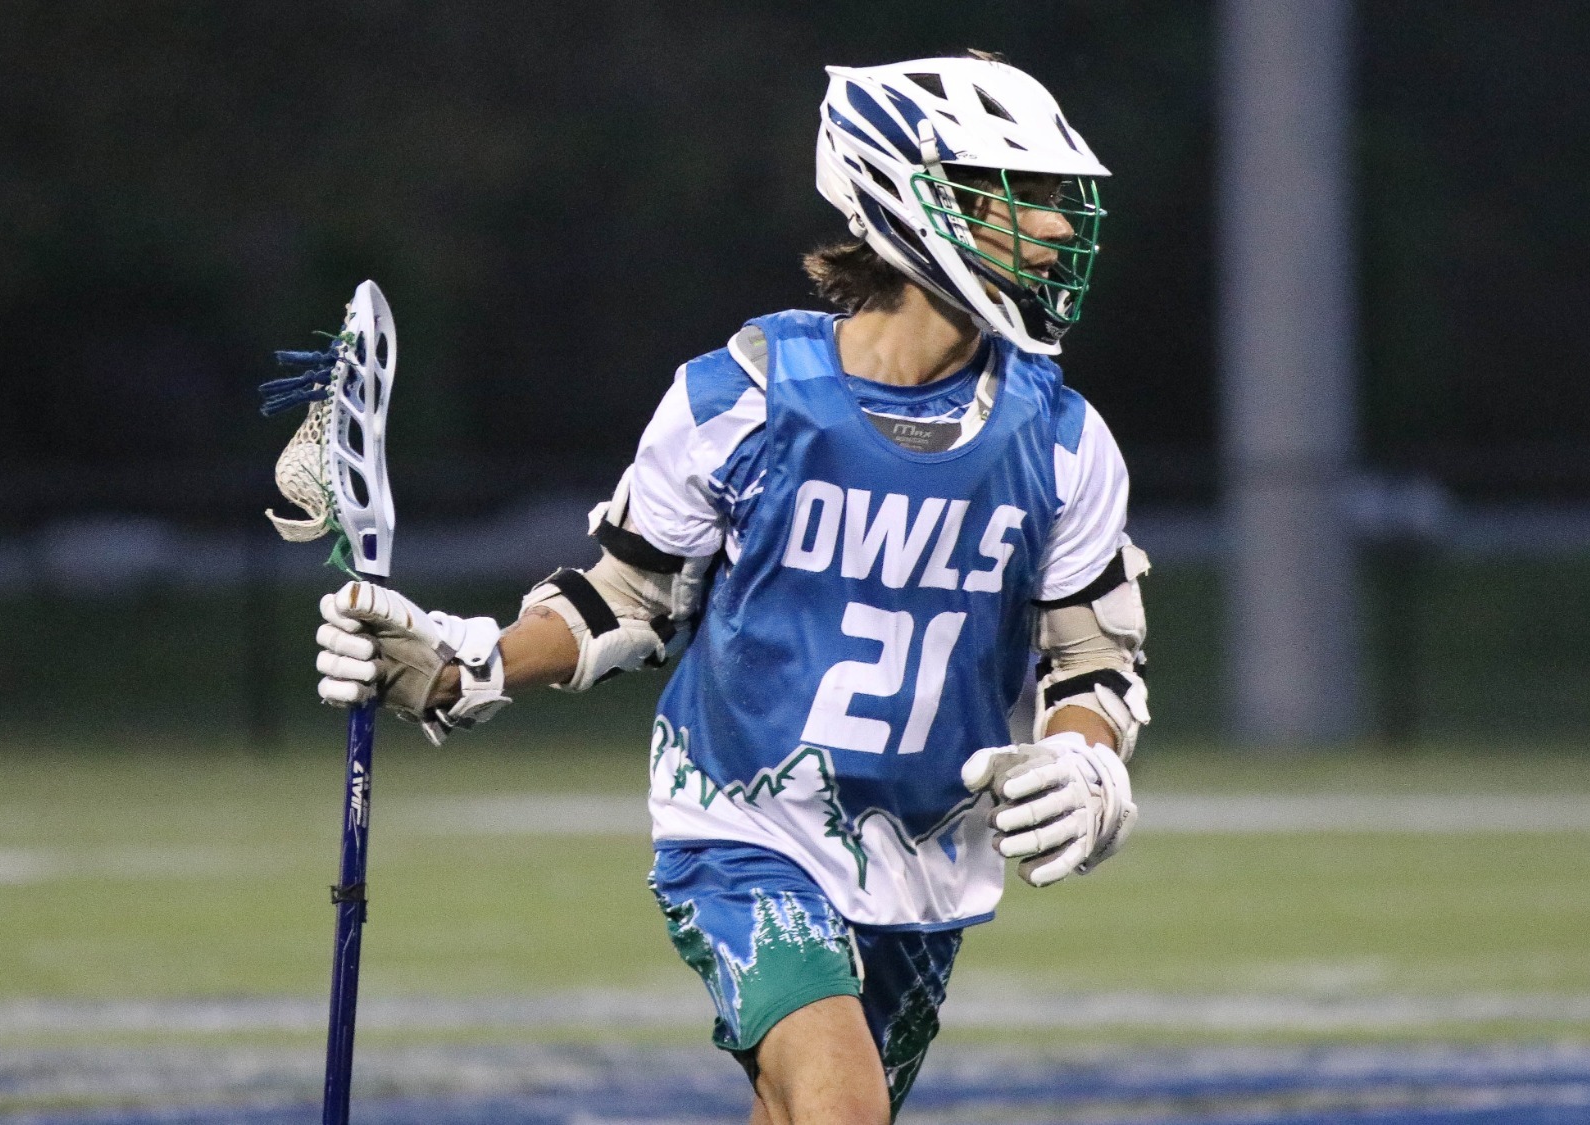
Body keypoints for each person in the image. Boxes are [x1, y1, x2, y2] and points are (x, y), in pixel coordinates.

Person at [311, 51, 1150, 1125]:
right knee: (840, 1109)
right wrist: (468, 664)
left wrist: (1083, 755)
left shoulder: (1064, 440)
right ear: (901, 192)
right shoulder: (743, 398)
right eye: (1017, 197)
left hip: (922, 856)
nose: (1053, 230)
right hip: (745, 822)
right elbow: (627, 599)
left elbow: (1091, 659)